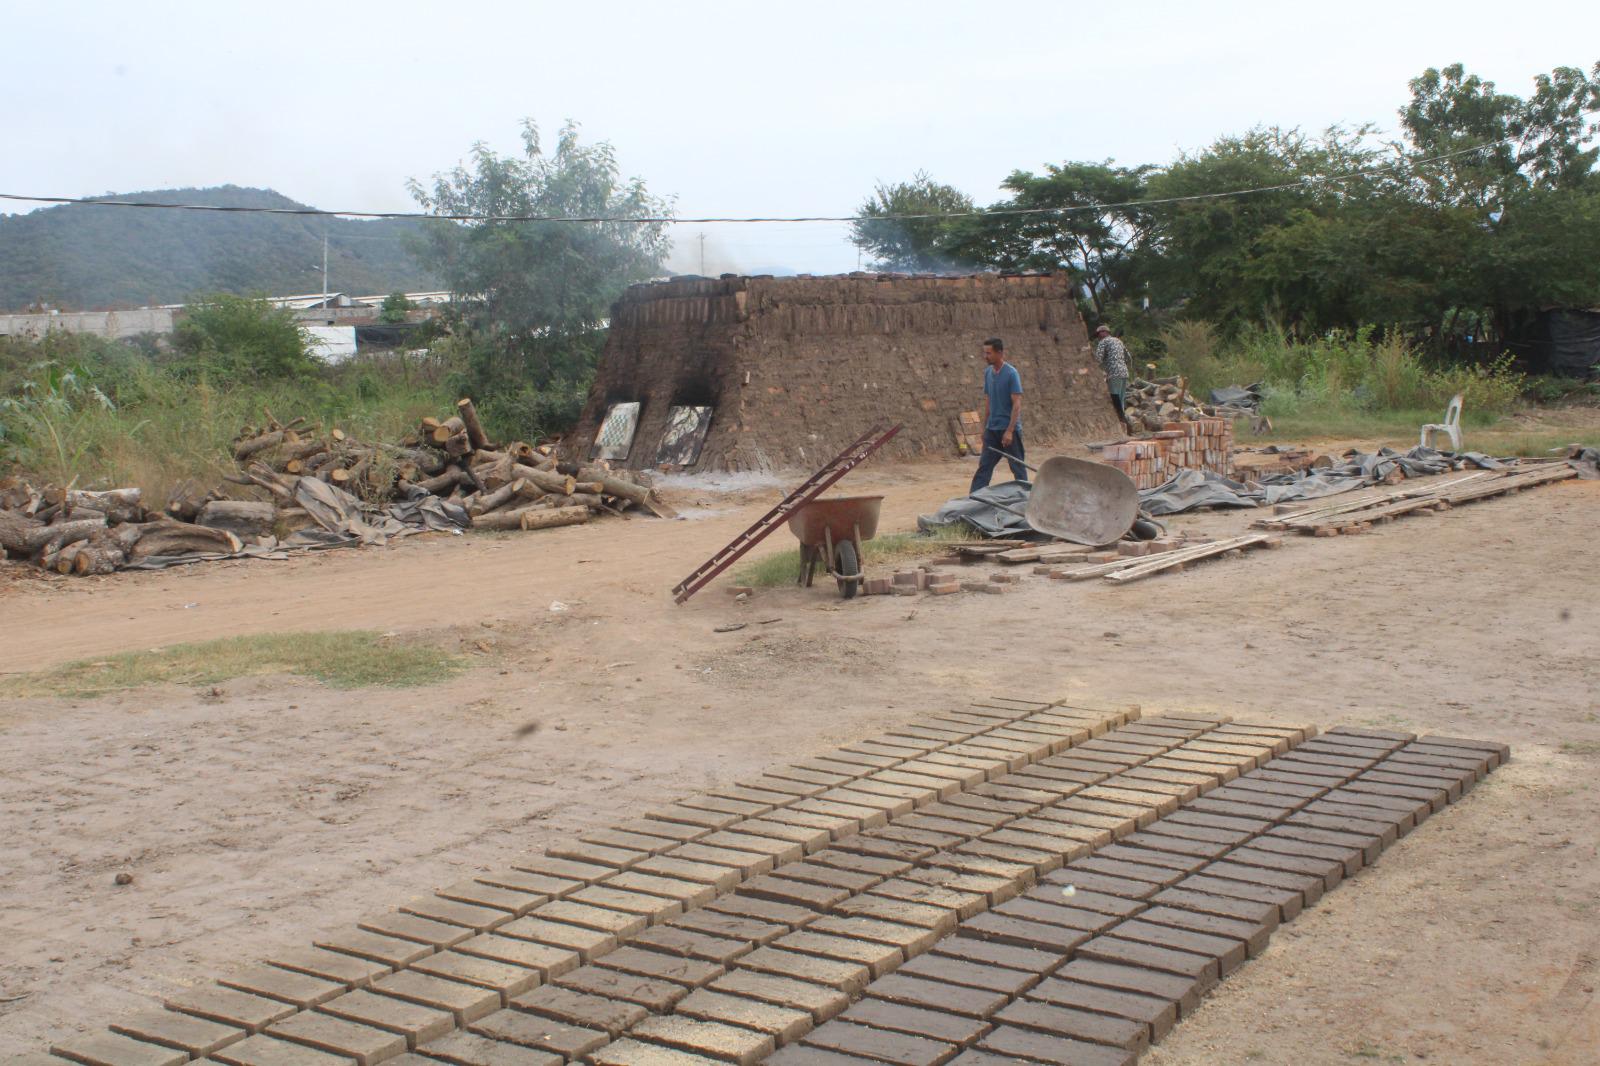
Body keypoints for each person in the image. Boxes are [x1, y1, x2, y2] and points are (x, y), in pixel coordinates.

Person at [969, 337, 1026, 493]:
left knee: (1018, 467)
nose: (985, 356)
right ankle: (974, 499)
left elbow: (1017, 404)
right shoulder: (988, 373)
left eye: (989, 353)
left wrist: (1009, 431)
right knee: (984, 467)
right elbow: (988, 402)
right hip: (992, 430)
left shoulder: (1011, 374)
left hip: (1008, 430)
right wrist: (984, 428)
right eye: (985, 353)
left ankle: (1025, 499)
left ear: (1000, 353)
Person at [1093, 324, 1133, 431]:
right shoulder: (1118, 341)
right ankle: (1124, 424)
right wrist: (1122, 365)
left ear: (1104, 332)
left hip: (1114, 373)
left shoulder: (1103, 342)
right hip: (1124, 373)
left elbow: (1097, 359)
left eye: (1098, 334)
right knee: (1121, 398)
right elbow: (1128, 357)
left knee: (1114, 396)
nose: (1098, 336)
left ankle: (1122, 420)